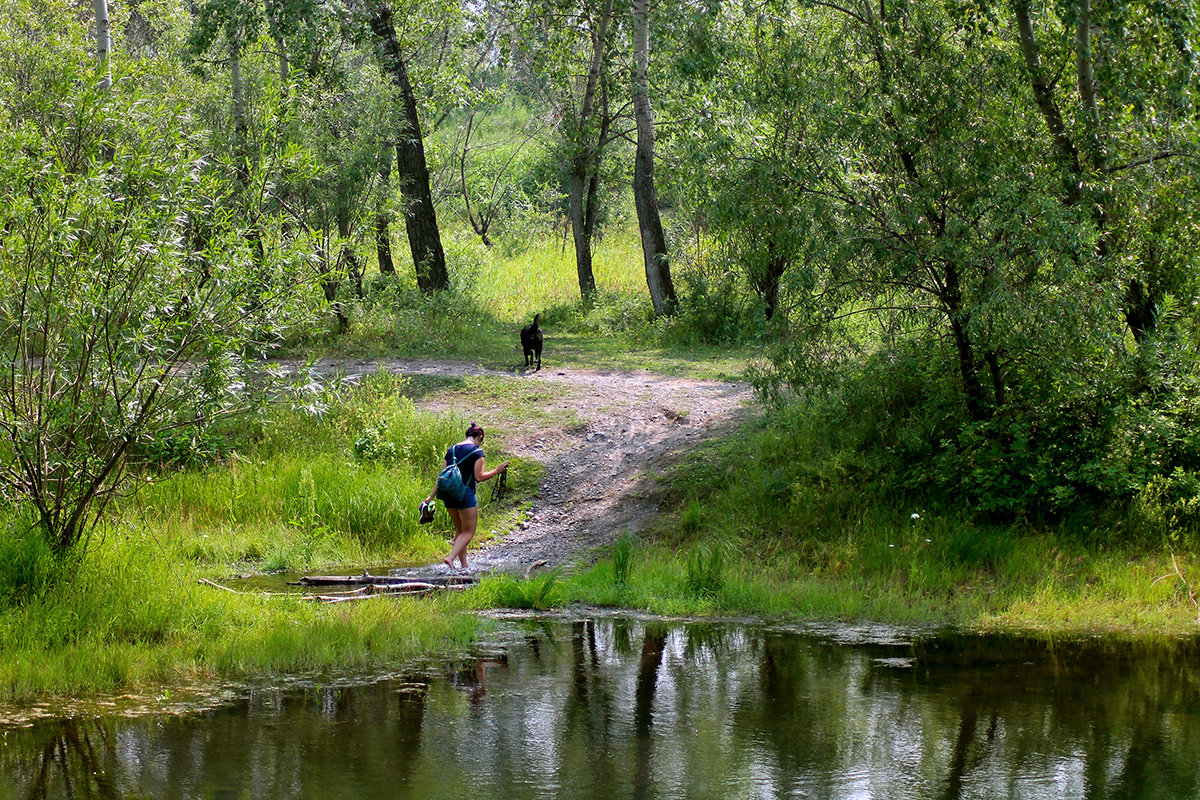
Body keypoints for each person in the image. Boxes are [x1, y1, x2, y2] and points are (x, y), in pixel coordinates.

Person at [425, 422, 508, 571]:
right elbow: (479, 477)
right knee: (469, 531)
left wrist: (431, 497)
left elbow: (441, 476)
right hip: (465, 495)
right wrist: (497, 470)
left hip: (448, 495)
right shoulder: (477, 452)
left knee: (460, 530)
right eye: (481, 440)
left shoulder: (452, 449)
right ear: (479, 437)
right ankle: (450, 558)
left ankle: (464, 566)